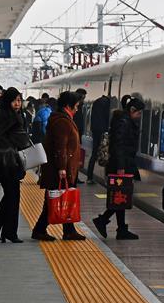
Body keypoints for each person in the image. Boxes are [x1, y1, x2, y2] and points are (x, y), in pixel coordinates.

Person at [31, 91, 86, 242]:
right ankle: (40, 230)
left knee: (58, 198)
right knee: (53, 200)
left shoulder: (64, 119)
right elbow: (60, 147)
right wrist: (62, 168)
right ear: (68, 106)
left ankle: (68, 231)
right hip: (60, 169)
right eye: (76, 106)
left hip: (64, 168)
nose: (77, 109)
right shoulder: (62, 121)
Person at [92, 95, 144, 240]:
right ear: (132, 110)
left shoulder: (124, 120)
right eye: (138, 113)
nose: (139, 116)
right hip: (120, 166)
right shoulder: (124, 122)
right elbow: (119, 145)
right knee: (121, 196)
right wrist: (121, 167)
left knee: (121, 196)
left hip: (122, 164)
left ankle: (120, 228)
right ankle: (103, 220)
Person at [0, 88, 30, 243]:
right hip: (6, 161)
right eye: (14, 100)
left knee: (11, 196)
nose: (17, 103)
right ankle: (8, 232)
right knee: (13, 196)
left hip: (7, 161)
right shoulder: (5, 115)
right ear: (8, 100)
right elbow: (9, 137)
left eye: (19, 100)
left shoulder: (7, 114)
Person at [85, 92, 111, 184]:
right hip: (103, 132)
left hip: (95, 131)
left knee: (94, 154)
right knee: (107, 154)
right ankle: (107, 179)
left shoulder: (97, 102)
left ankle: (89, 177)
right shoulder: (107, 104)